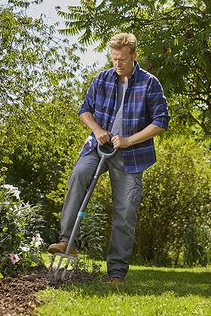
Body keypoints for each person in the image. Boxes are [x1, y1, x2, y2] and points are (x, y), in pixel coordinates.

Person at [48, 33, 170, 284]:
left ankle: (116, 271)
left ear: (135, 56)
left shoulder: (149, 83)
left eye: (122, 59)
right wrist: (97, 130)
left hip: (132, 154)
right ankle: (66, 241)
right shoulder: (102, 78)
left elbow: (161, 122)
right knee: (79, 174)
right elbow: (85, 110)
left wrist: (128, 140)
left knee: (125, 210)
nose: (117, 64)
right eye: (114, 59)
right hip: (99, 146)